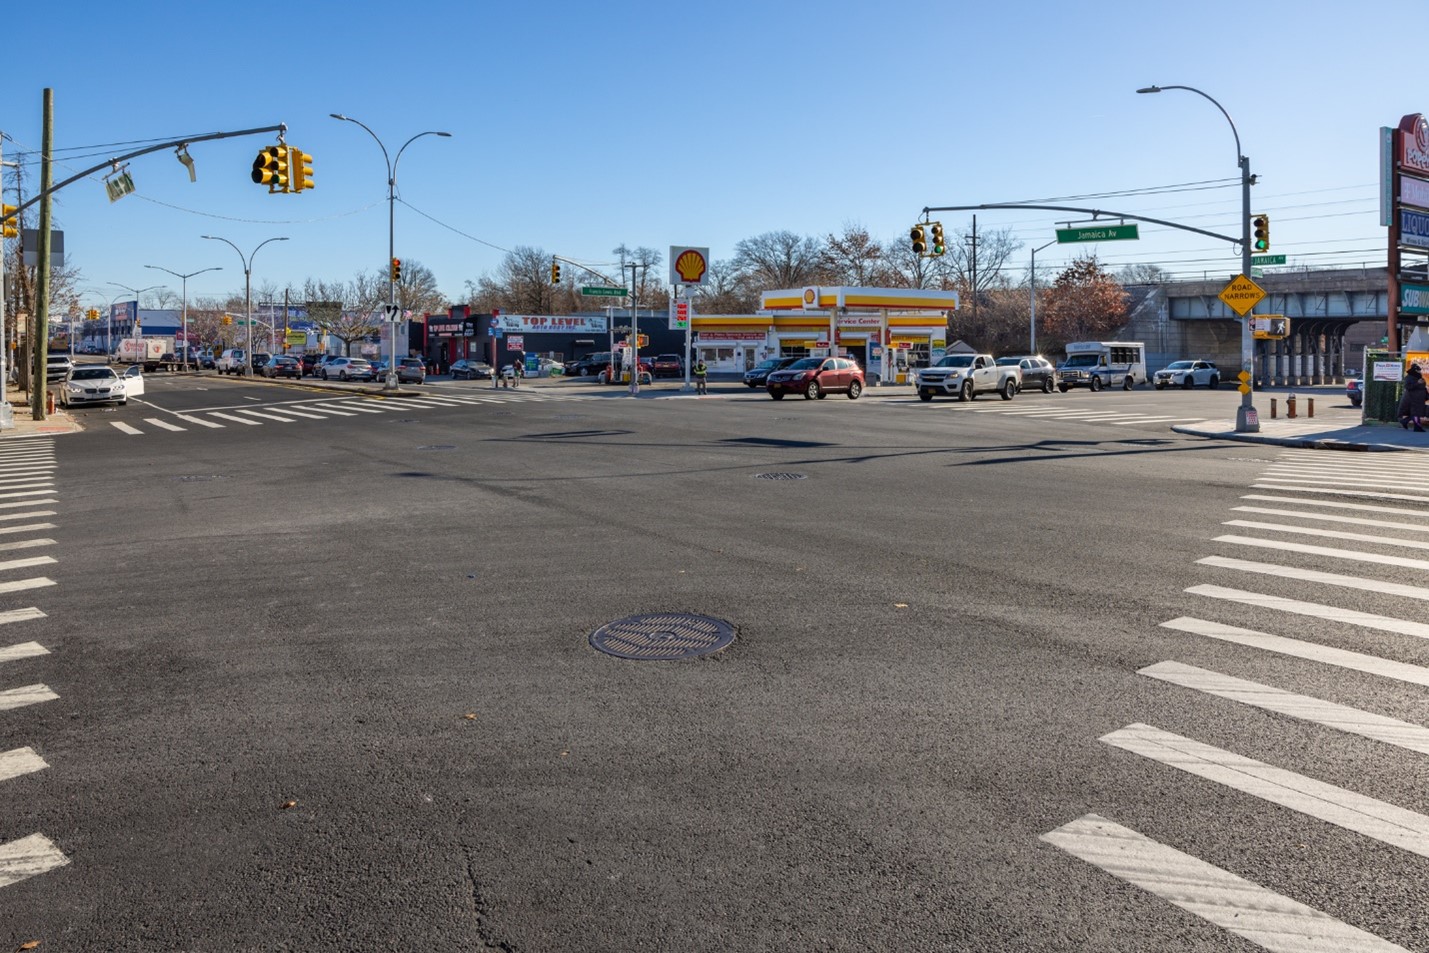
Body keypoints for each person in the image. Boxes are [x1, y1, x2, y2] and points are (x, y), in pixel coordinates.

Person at [1400, 364, 1427, 432]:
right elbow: (1408, 387)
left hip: (1420, 398)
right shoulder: (1409, 377)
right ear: (1415, 370)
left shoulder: (1419, 377)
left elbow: (1423, 387)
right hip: (1412, 398)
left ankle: (1405, 421)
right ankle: (1417, 427)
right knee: (1416, 413)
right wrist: (1417, 383)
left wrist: (1426, 395)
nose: (1420, 372)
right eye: (1418, 370)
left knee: (1416, 413)